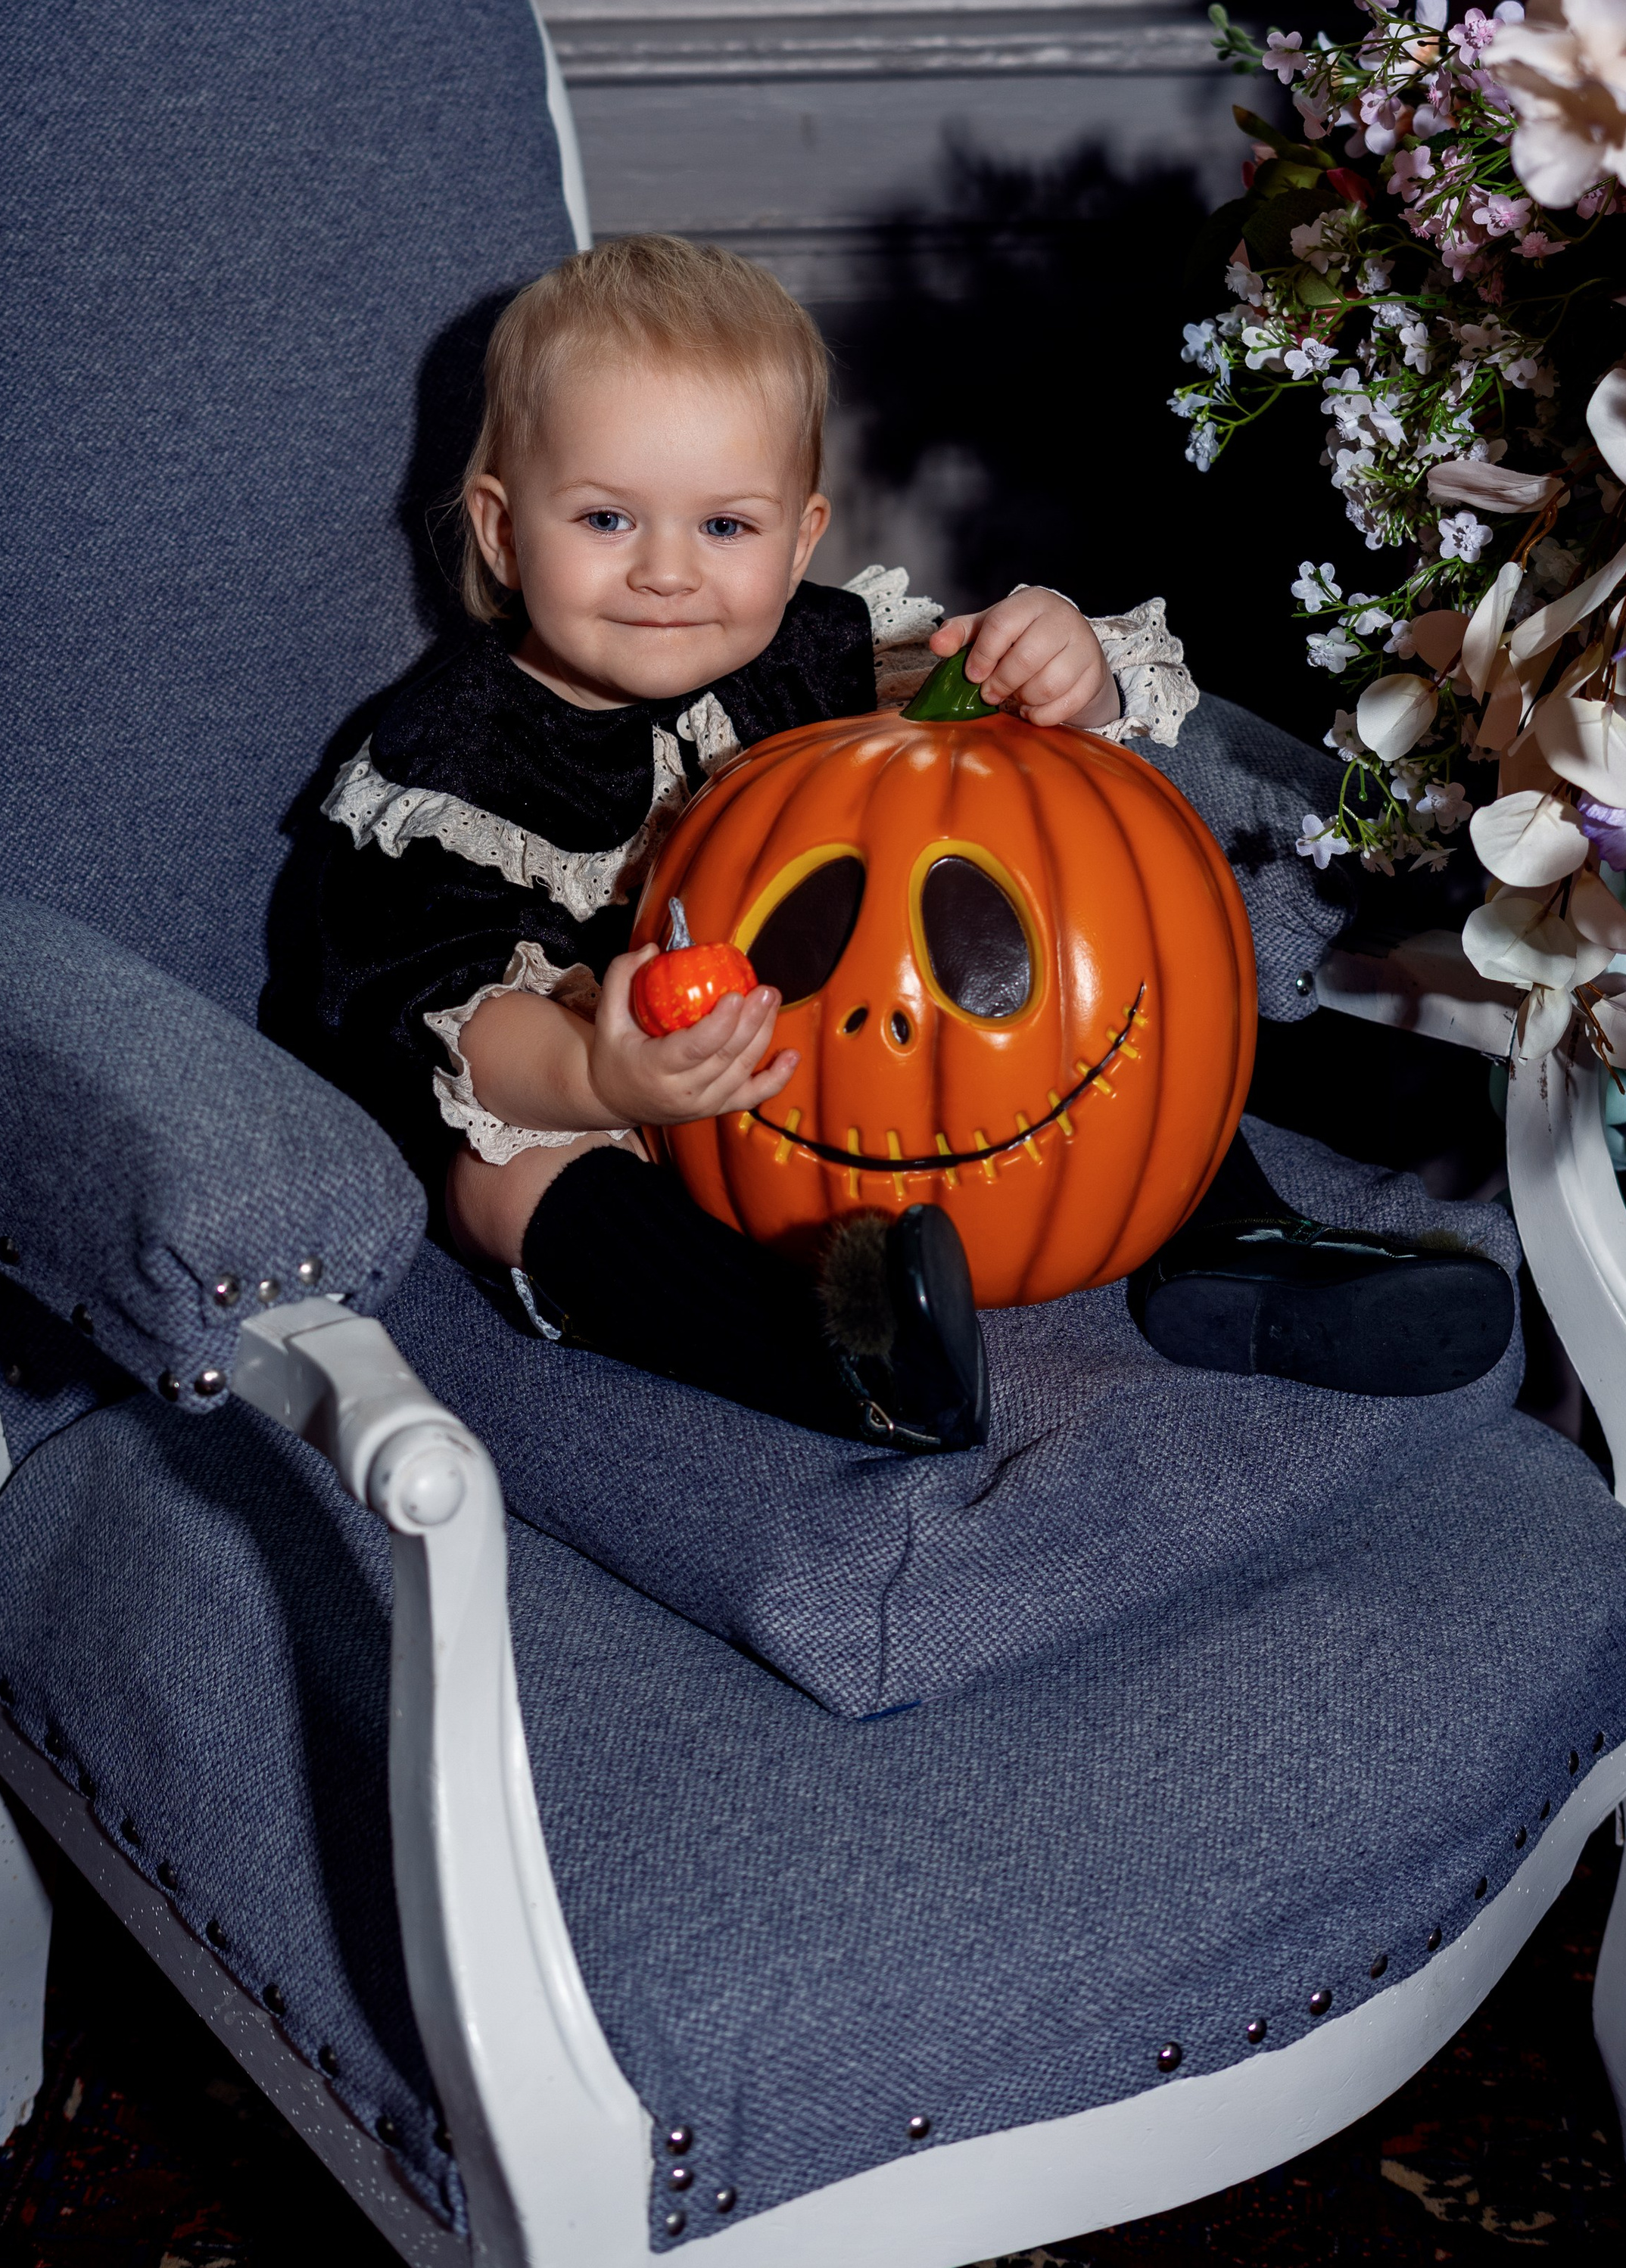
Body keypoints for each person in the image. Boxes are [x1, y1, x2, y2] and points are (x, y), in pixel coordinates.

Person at [282, 235, 1512, 1455]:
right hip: (583, 1083)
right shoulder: (459, 758)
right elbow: (448, 1011)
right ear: (503, 533)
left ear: (802, 535)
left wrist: (1061, 676)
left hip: (814, 1058)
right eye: (607, 518)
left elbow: (993, 739)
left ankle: (1235, 1251)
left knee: (1099, 1008)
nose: (666, 572)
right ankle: (828, 1355)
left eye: (725, 526)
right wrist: (602, 1080)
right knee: (499, 1187)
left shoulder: (810, 654)